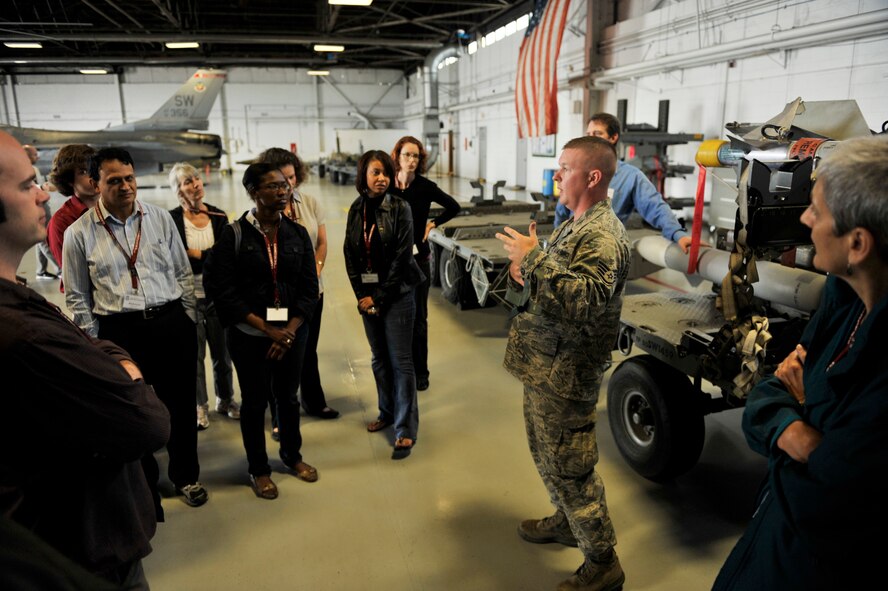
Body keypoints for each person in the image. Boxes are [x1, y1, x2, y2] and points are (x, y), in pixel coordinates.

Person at [713, 136, 888, 590]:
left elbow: (825, 505)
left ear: (857, 244)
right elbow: (770, 393)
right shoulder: (843, 294)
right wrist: (801, 435)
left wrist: (794, 423)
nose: (805, 219)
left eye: (817, 210)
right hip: (771, 543)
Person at [0, 130, 170, 589]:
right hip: (82, 554)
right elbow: (147, 422)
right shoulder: (24, 334)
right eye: (25, 185)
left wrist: (109, 356)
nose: (42, 194)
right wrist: (124, 369)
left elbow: (91, 345)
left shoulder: (20, 299)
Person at [496, 136, 631, 591]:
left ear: (592, 177)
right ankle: (566, 520)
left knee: (572, 469)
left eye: (564, 168)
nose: (556, 176)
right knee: (548, 457)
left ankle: (602, 560)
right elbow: (555, 289)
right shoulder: (574, 224)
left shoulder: (603, 235)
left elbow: (586, 300)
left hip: (567, 373)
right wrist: (527, 269)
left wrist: (533, 258)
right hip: (544, 368)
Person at [62, 147, 207, 509]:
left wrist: (187, 317)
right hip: (120, 332)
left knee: (181, 406)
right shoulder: (78, 234)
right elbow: (78, 295)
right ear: (96, 184)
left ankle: (186, 476)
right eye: (114, 181)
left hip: (171, 322)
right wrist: (98, 342)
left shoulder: (158, 219)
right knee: (134, 411)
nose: (125, 187)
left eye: (129, 178)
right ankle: (146, 485)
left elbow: (181, 273)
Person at [203, 163, 320, 500]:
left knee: (288, 397)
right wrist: (267, 329)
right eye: (272, 186)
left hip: (290, 334)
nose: (282, 191)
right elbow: (222, 292)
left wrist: (289, 330)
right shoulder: (233, 235)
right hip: (249, 335)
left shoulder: (297, 234)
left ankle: (291, 456)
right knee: (254, 402)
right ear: (253, 191)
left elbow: (309, 290)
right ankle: (258, 468)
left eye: (285, 185)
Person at [344, 150, 424, 459]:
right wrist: (360, 298)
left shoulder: (400, 208)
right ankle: (387, 412)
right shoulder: (356, 209)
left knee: (401, 362)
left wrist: (376, 298)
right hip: (368, 298)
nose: (382, 179)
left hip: (399, 294)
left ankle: (405, 428)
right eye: (376, 172)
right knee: (379, 359)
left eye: (386, 174)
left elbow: (402, 258)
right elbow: (350, 254)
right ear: (363, 174)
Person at [258, 147, 339, 422]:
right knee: (279, 350)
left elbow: (322, 243)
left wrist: (314, 274)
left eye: (292, 177)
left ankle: (314, 402)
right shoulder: (262, 210)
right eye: (281, 179)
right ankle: (280, 414)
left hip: (313, 292)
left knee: (308, 349)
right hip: (280, 296)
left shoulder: (311, 203)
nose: (288, 185)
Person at [554, 113, 692, 254]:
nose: (590, 139)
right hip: (571, 248)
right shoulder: (575, 170)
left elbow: (655, 206)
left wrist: (678, 234)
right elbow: (562, 211)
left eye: (597, 133)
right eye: (588, 134)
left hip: (604, 253)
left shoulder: (630, 177)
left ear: (613, 138)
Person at [168, 163, 239, 430]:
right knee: (194, 357)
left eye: (197, 178)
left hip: (216, 298)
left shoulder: (218, 216)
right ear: (178, 189)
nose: (196, 184)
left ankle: (226, 399)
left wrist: (198, 255)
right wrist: (207, 256)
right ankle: (200, 405)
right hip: (187, 298)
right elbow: (174, 258)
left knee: (223, 353)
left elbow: (225, 258)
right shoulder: (172, 219)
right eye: (188, 181)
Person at [389, 136, 461, 391]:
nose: (411, 160)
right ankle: (398, 369)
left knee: (419, 319)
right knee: (396, 318)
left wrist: (434, 223)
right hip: (392, 262)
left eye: (416, 156)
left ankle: (421, 372)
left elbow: (454, 206)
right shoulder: (387, 186)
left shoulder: (425, 186)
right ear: (397, 156)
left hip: (418, 260)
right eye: (407, 155)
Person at [46, 145, 98, 278]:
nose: (94, 176)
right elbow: (72, 277)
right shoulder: (61, 222)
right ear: (69, 181)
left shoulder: (115, 208)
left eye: (95, 168)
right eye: (83, 172)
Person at [23, 144, 60, 279]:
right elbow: (25, 187)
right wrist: (41, 187)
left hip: (43, 206)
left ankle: (41, 271)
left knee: (42, 238)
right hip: (32, 207)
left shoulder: (34, 169)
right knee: (44, 239)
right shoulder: (21, 169)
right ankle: (60, 269)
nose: (37, 156)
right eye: (34, 154)